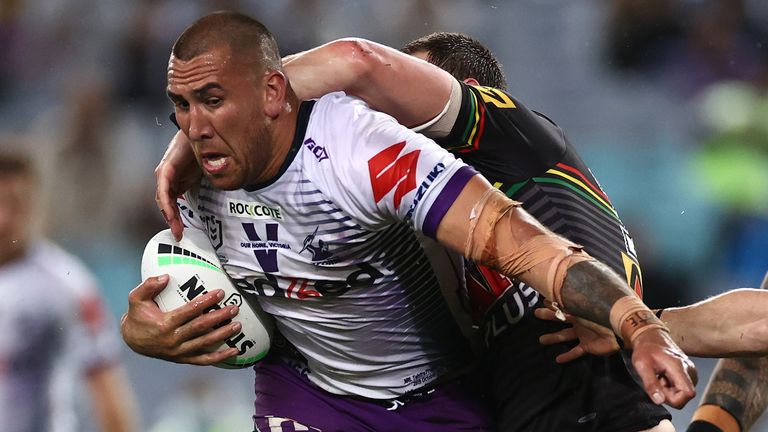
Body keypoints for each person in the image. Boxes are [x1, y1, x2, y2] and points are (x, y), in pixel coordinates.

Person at [124, 12, 696, 432]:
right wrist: (143, 333)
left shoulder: (405, 154)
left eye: (212, 100)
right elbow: (177, 297)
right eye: (182, 105)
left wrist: (634, 323)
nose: (194, 124)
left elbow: (534, 252)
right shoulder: (198, 175)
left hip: (459, 397)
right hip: (312, 392)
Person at [0, 150, 138, 432]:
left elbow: (107, 389)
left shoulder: (67, 285)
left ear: (35, 206)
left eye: (15, 204)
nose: (3, 218)